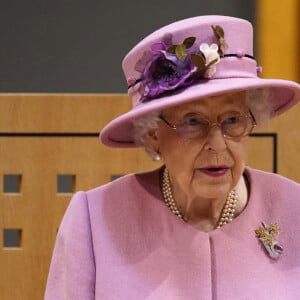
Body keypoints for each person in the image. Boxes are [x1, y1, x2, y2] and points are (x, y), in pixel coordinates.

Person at [45, 15, 300, 299]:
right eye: (192, 122)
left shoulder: (295, 209)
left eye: (232, 119)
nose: (217, 145)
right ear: (153, 134)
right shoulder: (93, 221)